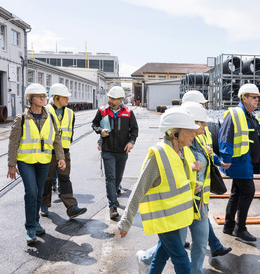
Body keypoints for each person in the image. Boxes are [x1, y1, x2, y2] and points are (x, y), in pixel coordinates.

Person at [118, 107, 201, 273]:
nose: (195, 134)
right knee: (182, 261)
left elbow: (175, 183)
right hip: (163, 219)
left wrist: (193, 186)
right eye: (190, 131)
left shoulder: (183, 152)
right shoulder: (159, 155)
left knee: (161, 255)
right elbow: (139, 189)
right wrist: (126, 221)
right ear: (174, 133)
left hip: (176, 218)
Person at [7, 83, 66, 245]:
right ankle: (30, 228)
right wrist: (11, 165)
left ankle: (36, 222)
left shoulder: (50, 117)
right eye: (39, 96)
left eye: (44, 96)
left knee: (39, 194)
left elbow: (56, 139)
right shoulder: (21, 119)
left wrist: (60, 157)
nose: (43, 98)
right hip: (26, 162)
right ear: (31, 99)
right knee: (31, 192)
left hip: (44, 161)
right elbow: (13, 143)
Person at [181, 90, 232, 257]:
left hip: (202, 183)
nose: (205, 107)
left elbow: (207, 150)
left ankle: (209, 245)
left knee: (199, 217)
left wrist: (218, 161)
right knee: (197, 218)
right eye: (201, 104)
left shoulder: (203, 127)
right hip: (191, 185)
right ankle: (214, 245)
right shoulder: (183, 132)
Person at [218, 83, 260, 242]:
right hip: (239, 162)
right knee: (248, 191)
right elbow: (226, 138)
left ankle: (229, 225)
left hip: (246, 162)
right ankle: (240, 228)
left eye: (257, 97)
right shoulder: (236, 114)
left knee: (237, 192)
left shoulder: (250, 115)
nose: (256, 100)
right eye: (253, 97)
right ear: (244, 98)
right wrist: (226, 159)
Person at [40, 83, 87, 219]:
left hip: (64, 152)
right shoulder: (45, 111)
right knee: (47, 180)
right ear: (56, 98)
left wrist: (64, 149)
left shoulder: (71, 113)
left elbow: (69, 133)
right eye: (65, 97)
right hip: (48, 153)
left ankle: (72, 207)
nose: (68, 99)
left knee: (65, 179)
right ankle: (44, 204)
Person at [92, 86, 139, 220]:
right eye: (110, 98)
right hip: (107, 150)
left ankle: (115, 191)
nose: (110, 100)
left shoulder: (128, 112)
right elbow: (94, 124)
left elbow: (134, 129)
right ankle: (112, 206)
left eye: (113, 99)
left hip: (122, 151)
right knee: (110, 178)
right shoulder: (102, 110)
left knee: (117, 178)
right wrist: (100, 130)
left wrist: (131, 142)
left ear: (120, 100)